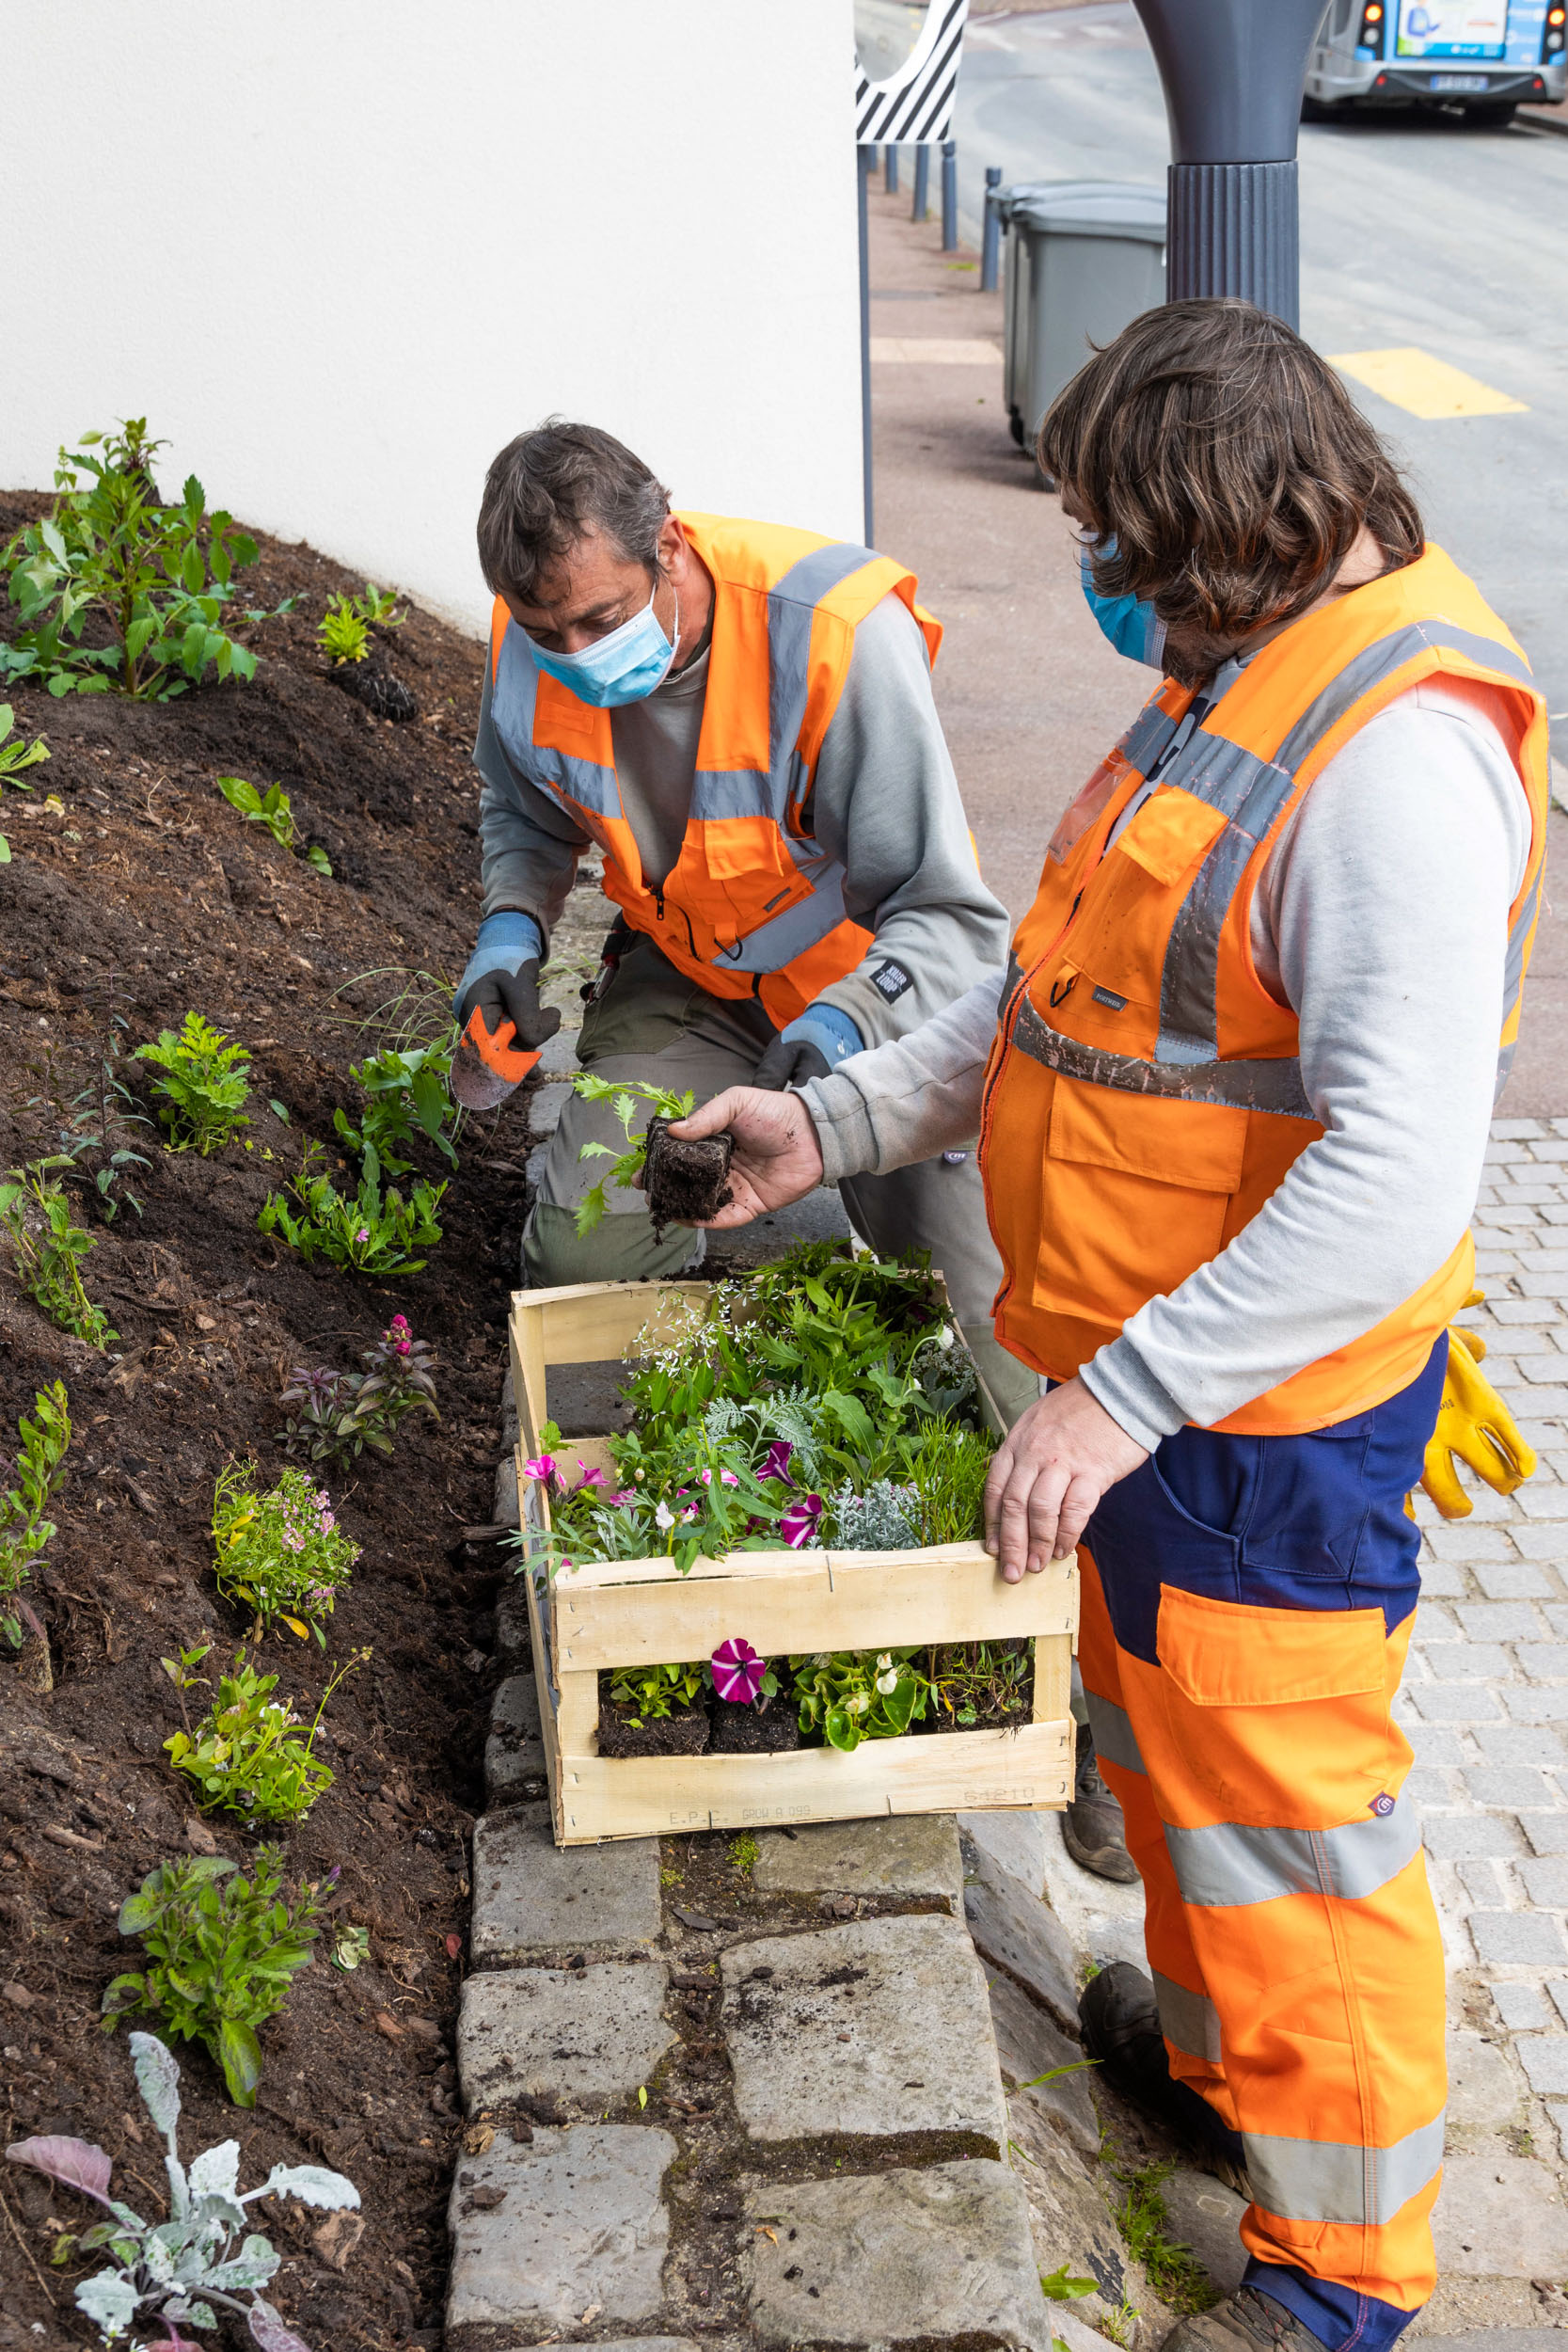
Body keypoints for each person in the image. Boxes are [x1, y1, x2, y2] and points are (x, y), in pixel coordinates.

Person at [662, 302, 1551, 2352]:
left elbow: (1392, 1177)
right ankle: (1230, 2076)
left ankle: (1336, 2278)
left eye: (1115, 548)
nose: (1098, 585)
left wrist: (1116, 1400)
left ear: (1239, 525)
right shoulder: (1236, 675)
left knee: (1291, 1832)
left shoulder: (1392, 769)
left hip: (1252, 1421)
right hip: (1153, 1399)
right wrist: (831, 1118)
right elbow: (1064, 989)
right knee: (1170, 1779)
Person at [453, 420, 1036, 1423]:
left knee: (994, 1334)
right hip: (689, 984)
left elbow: (945, 915)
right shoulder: (528, 639)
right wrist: (511, 936)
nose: (574, 655)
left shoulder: (833, 641)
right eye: (549, 634)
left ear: (667, 548)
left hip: (871, 999)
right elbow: (523, 812)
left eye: (599, 619)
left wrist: (843, 1034)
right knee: (581, 1263)